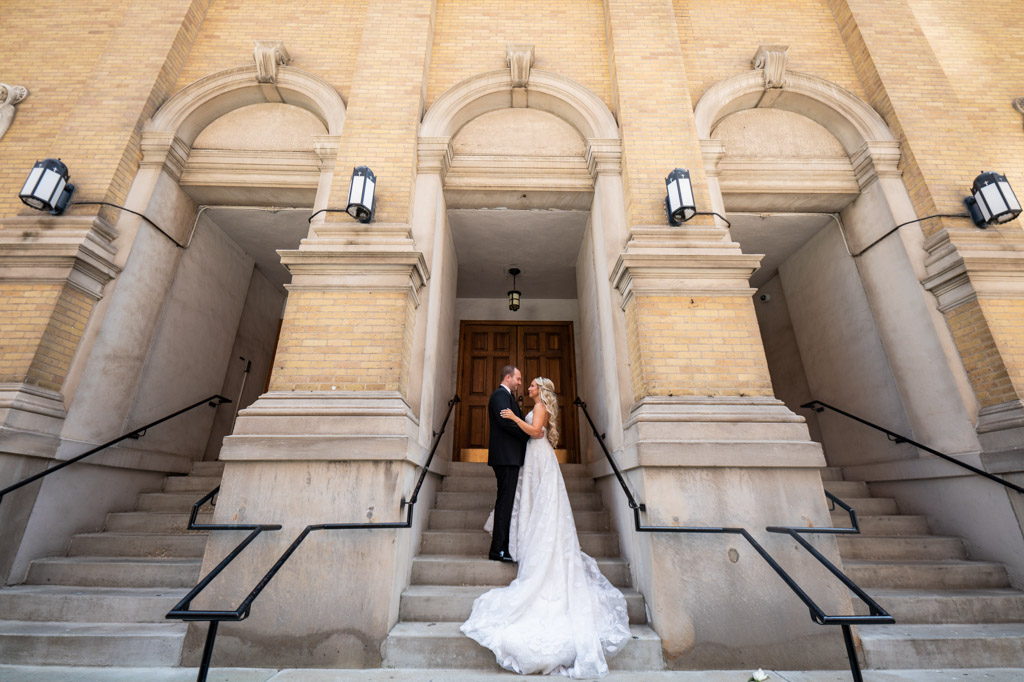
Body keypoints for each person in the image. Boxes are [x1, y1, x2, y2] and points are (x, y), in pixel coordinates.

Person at [462, 377, 631, 678]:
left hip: (539, 458)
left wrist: (514, 417)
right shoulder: (537, 404)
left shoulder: (539, 407)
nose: (527, 388)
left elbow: (536, 431)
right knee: (534, 504)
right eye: (525, 385)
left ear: (540, 390)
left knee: (543, 505)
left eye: (531, 386)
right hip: (534, 459)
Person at [487, 366, 530, 562]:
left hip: (510, 457)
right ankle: (498, 550)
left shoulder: (507, 397)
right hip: (505, 458)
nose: (520, 383)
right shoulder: (499, 396)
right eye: (518, 379)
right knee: (505, 502)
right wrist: (527, 436)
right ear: (508, 377)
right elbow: (506, 422)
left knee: (507, 502)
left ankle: (502, 546)